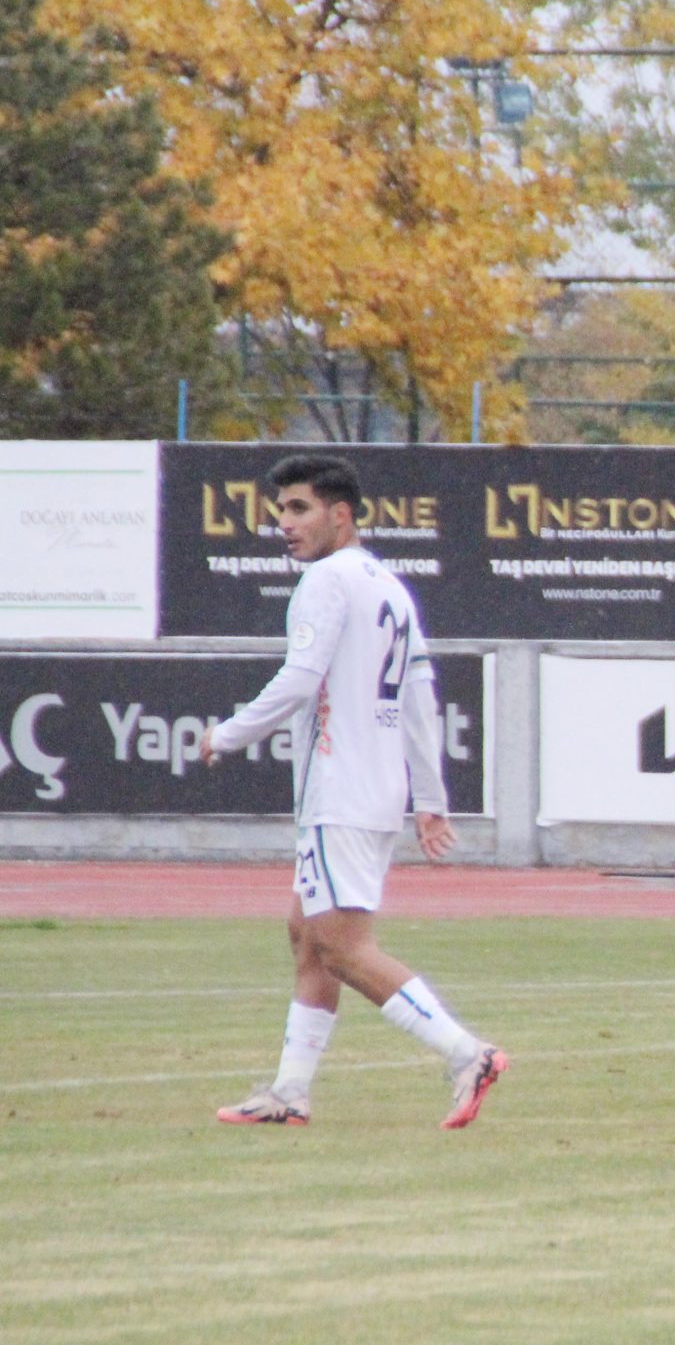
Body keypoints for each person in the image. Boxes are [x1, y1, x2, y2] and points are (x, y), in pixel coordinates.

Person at [196, 454, 508, 1130]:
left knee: (340, 944)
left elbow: (300, 677)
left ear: (341, 513)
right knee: (307, 935)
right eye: (281, 509)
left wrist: (229, 734)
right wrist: (429, 795)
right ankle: (289, 1092)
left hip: (340, 786)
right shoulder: (389, 587)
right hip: (370, 787)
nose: (285, 523)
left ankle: (467, 1052)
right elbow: (420, 696)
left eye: (299, 508)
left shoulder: (327, 580)